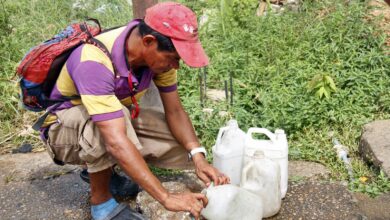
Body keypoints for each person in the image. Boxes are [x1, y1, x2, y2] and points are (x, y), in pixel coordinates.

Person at [38, 2, 230, 220]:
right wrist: (165, 197)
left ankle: (106, 171)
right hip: (63, 131)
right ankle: (101, 203)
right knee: (111, 124)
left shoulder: (156, 59)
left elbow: (175, 111)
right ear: (149, 42)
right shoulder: (93, 59)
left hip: (110, 120)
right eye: (173, 58)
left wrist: (198, 157)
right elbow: (115, 139)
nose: (176, 66)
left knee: (178, 140)